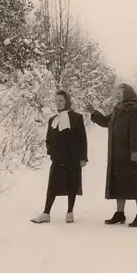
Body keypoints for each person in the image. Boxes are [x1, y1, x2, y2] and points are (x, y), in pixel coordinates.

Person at [86, 83, 137, 227]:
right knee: (119, 182)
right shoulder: (117, 110)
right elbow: (106, 122)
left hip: (130, 153)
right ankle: (120, 213)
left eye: (121, 93)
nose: (118, 96)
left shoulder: (135, 110)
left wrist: (136, 151)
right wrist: (94, 113)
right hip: (117, 153)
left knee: (135, 182)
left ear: (128, 94)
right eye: (118, 93)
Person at [31, 90, 88, 224]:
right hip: (57, 158)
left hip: (72, 158)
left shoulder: (77, 117)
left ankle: (70, 212)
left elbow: (82, 139)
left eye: (61, 100)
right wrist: (51, 151)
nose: (59, 103)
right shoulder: (53, 119)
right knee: (52, 185)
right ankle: (46, 213)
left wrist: (83, 157)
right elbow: (48, 138)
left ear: (67, 101)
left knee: (72, 184)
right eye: (56, 101)